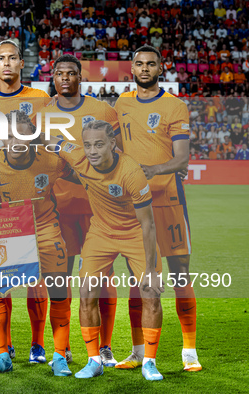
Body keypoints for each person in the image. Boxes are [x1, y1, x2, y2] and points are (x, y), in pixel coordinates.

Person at [53, 120, 165, 381]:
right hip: (101, 232)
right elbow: (48, 140)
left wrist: (150, 270)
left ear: (113, 144)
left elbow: (147, 224)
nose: (92, 151)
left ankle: (149, 361)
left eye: (99, 145)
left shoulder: (131, 172)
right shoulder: (78, 156)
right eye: (88, 144)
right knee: (86, 291)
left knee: (150, 292)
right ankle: (94, 361)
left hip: (135, 233)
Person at [115, 45, 201, 372]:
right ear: (132, 68)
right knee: (138, 279)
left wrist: (154, 170)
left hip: (169, 201)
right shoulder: (121, 104)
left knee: (180, 273)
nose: (145, 68)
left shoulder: (175, 106)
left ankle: (189, 352)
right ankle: (138, 352)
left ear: (161, 67)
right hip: (134, 204)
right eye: (139, 63)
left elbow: (182, 159)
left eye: (151, 64)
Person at [0, 110, 75, 376]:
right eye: (9, 136)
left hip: (46, 230)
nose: (16, 142)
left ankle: (61, 355)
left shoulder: (51, 161)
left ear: (31, 136)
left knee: (58, 291)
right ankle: (2, 355)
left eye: (22, 135)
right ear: (1, 139)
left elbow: (82, 168)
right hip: (11, 231)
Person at [0, 39, 51, 364]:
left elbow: (47, 140)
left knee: (36, 278)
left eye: (12, 58)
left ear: (21, 63)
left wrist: (2, 142)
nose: (7, 63)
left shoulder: (40, 99)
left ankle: (38, 344)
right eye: (0, 58)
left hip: (30, 196)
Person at [48, 55, 121, 367]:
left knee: (102, 278)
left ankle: (104, 347)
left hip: (97, 208)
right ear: (53, 77)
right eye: (60, 73)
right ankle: (62, 349)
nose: (66, 78)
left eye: (72, 73)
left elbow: (118, 155)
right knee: (60, 277)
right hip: (58, 209)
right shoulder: (44, 111)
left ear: (81, 77)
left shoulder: (102, 110)